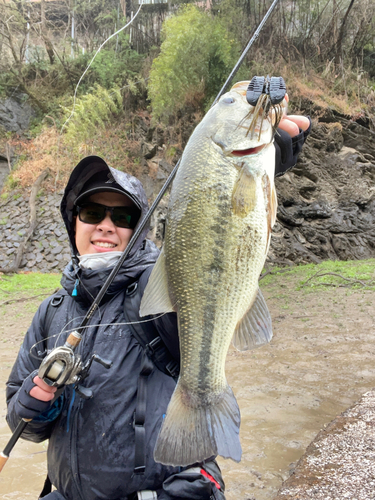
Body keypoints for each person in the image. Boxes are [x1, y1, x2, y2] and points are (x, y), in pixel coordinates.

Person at [5, 109, 310, 500]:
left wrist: (265, 165)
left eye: (124, 215)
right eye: (92, 212)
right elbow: (25, 426)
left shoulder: (159, 283)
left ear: (139, 228)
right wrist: (36, 399)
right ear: (74, 221)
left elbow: (212, 247)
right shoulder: (52, 310)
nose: (105, 225)